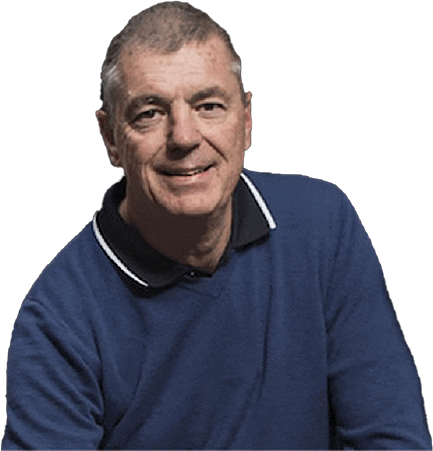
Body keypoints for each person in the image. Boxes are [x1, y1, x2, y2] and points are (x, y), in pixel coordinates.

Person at [2, 2, 431, 449]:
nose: (184, 137)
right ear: (111, 138)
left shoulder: (323, 225)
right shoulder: (58, 317)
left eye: (208, 106)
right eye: (150, 113)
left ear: (245, 121)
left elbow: (390, 435)